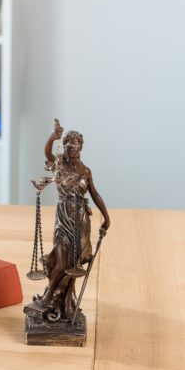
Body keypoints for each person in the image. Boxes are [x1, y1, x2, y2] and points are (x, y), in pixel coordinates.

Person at [30, 119, 110, 322]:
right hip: (63, 217)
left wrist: (107, 218)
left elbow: (95, 195)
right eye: (68, 145)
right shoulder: (58, 164)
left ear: (81, 148)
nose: (72, 148)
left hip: (81, 219)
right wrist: (52, 136)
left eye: (76, 145)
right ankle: (49, 296)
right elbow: (47, 153)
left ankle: (66, 302)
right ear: (64, 146)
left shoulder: (85, 171)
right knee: (61, 258)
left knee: (74, 262)